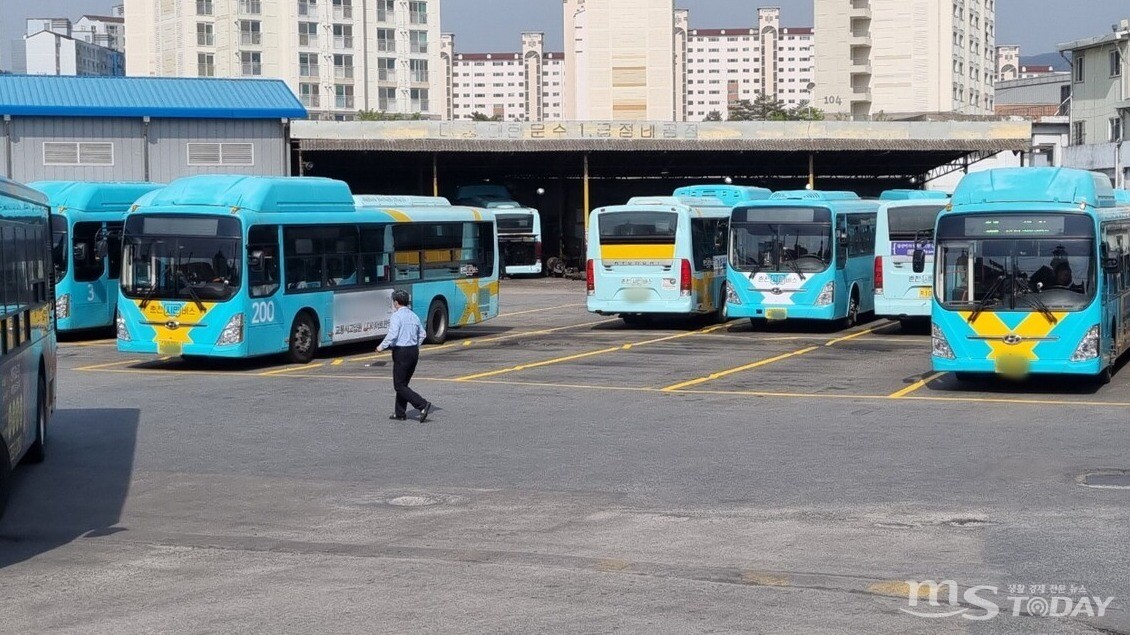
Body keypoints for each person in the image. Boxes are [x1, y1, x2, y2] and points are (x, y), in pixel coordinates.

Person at [376, 289, 433, 422]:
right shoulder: (414, 316)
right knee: (403, 384)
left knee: (399, 385)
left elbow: (393, 334)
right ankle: (400, 413)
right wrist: (414, 345)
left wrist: (381, 346)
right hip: (413, 351)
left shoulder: (396, 316)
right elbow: (423, 334)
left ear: (396, 302)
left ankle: (422, 405)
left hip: (402, 352)